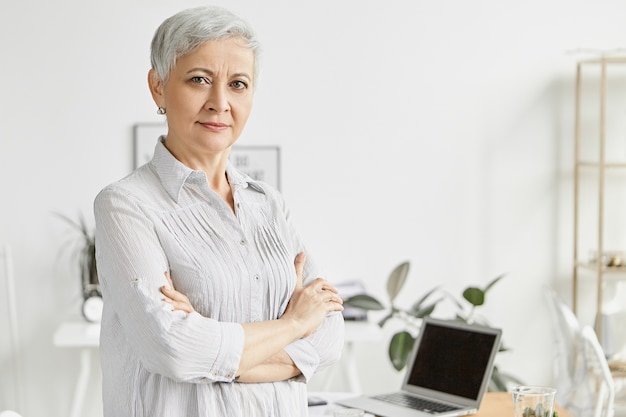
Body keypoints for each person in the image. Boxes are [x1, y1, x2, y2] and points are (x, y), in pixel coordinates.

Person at [94, 6, 345, 417]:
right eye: (199, 80)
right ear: (158, 87)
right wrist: (293, 325)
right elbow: (173, 350)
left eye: (238, 84)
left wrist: (214, 349)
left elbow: (330, 334)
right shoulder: (126, 205)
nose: (220, 103)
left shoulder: (269, 205)